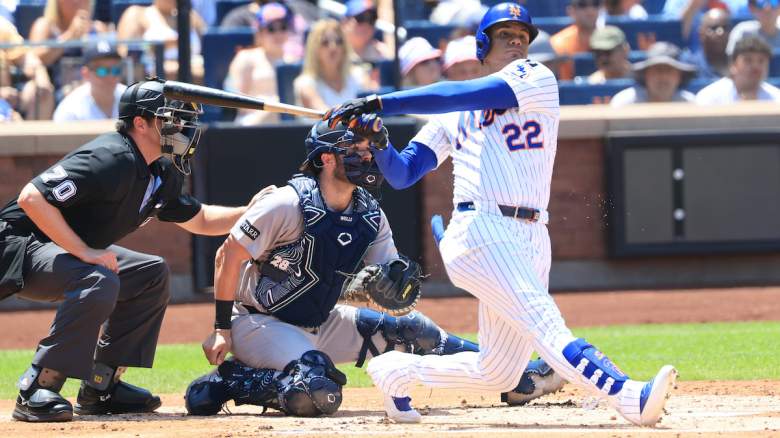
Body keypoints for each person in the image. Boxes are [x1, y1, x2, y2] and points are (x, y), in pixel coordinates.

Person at [323, 2, 677, 425]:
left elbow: (464, 92)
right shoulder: (454, 113)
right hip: (481, 231)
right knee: (546, 322)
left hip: (531, 233)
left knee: (500, 369)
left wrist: (381, 102)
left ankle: (396, 371)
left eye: (522, 37)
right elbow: (403, 173)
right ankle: (627, 395)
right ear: (483, 46)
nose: (515, 43)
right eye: (505, 36)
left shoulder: (536, 79)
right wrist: (380, 141)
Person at [184, 118, 564, 417]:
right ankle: (233, 380)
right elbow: (227, 255)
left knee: (415, 330)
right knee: (318, 391)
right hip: (259, 322)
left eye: (369, 151)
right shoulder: (285, 203)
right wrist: (221, 329)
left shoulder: (369, 213)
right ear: (326, 158)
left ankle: (514, 374)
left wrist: (396, 283)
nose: (368, 158)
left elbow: (386, 280)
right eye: (355, 150)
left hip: (320, 321)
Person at [0, 78, 267, 423]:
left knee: (150, 274)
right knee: (98, 277)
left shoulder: (160, 171)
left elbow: (199, 219)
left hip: (56, 250)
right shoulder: (110, 157)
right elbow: (31, 199)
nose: (182, 126)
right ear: (140, 123)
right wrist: (87, 252)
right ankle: (38, 386)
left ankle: (101, 387)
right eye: (171, 118)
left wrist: (250, 210)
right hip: (17, 246)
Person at [224, 2, 298, 125]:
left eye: (283, 27)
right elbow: (235, 100)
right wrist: (274, 107)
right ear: (260, 32)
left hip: (288, 125)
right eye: (271, 28)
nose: (278, 33)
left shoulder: (293, 61)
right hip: (250, 125)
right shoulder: (245, 57)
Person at [117, 0, 207, 80]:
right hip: (155, 79)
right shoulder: (137, 13)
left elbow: (211, 47)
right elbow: (124, 53)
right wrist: (165, 45)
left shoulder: (191, 15)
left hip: (198, 76)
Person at [294, 19, 371, 111]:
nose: (333, 47)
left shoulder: (359, 76)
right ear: (314, 49)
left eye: (339, 41)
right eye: (325, 42)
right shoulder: (305, 84)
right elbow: (327, 117)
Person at [53, 41, 127, 122]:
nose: (110, 76)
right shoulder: (70, 109)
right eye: (102, 71)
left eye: (115, 70)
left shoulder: (133, 101)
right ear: (86, 74)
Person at [696, 34, 780, 103]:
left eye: (761, 61)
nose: (755, 66)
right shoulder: (710, 97)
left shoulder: (776, 98)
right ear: (733, 65)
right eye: (748, 60)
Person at [0, 15, 55, 120]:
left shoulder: (2, 26)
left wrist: (40, 75)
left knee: (41, 92)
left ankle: (36, 136)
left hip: (6, 102)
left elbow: (26, 56)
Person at [611, 42, 697, 106]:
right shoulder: (625, 103)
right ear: (645, 75)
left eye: (669, 71)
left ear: (679, 76)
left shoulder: (690, 103)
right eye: (657, 70)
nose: (663, 77)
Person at [551, 0, 603, 81]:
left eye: (595, 4)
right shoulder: (558, 44)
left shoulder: (613, 40)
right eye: (582, 5)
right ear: (571, 11)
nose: (590, 10)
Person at [683, 7, 732, 79]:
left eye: (725, 28)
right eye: (714, 28)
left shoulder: (740, 66)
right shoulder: (688, 65)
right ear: (701, 33)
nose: (720, 32)